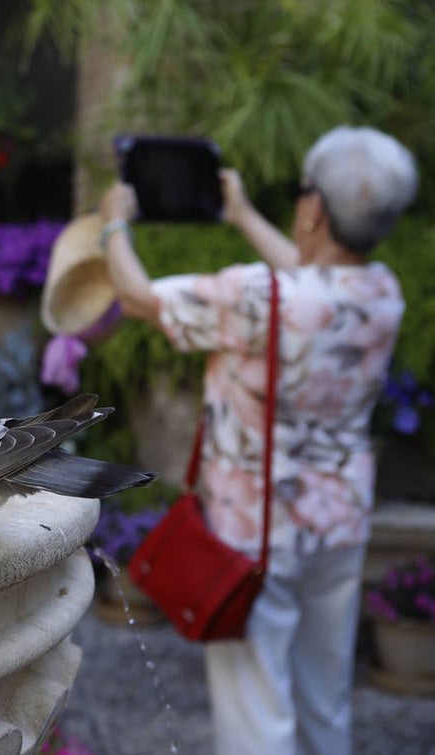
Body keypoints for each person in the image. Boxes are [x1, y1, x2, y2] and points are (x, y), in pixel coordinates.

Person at [99, 126, 417, 755]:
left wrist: (113, 223)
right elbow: (309, 281)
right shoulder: (382, 291)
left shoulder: (256, 296)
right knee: (324, 698)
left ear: (313, 208)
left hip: (256, 530)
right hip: (340, 524)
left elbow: (137, 298)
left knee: (257, 711)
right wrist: (243, 215)